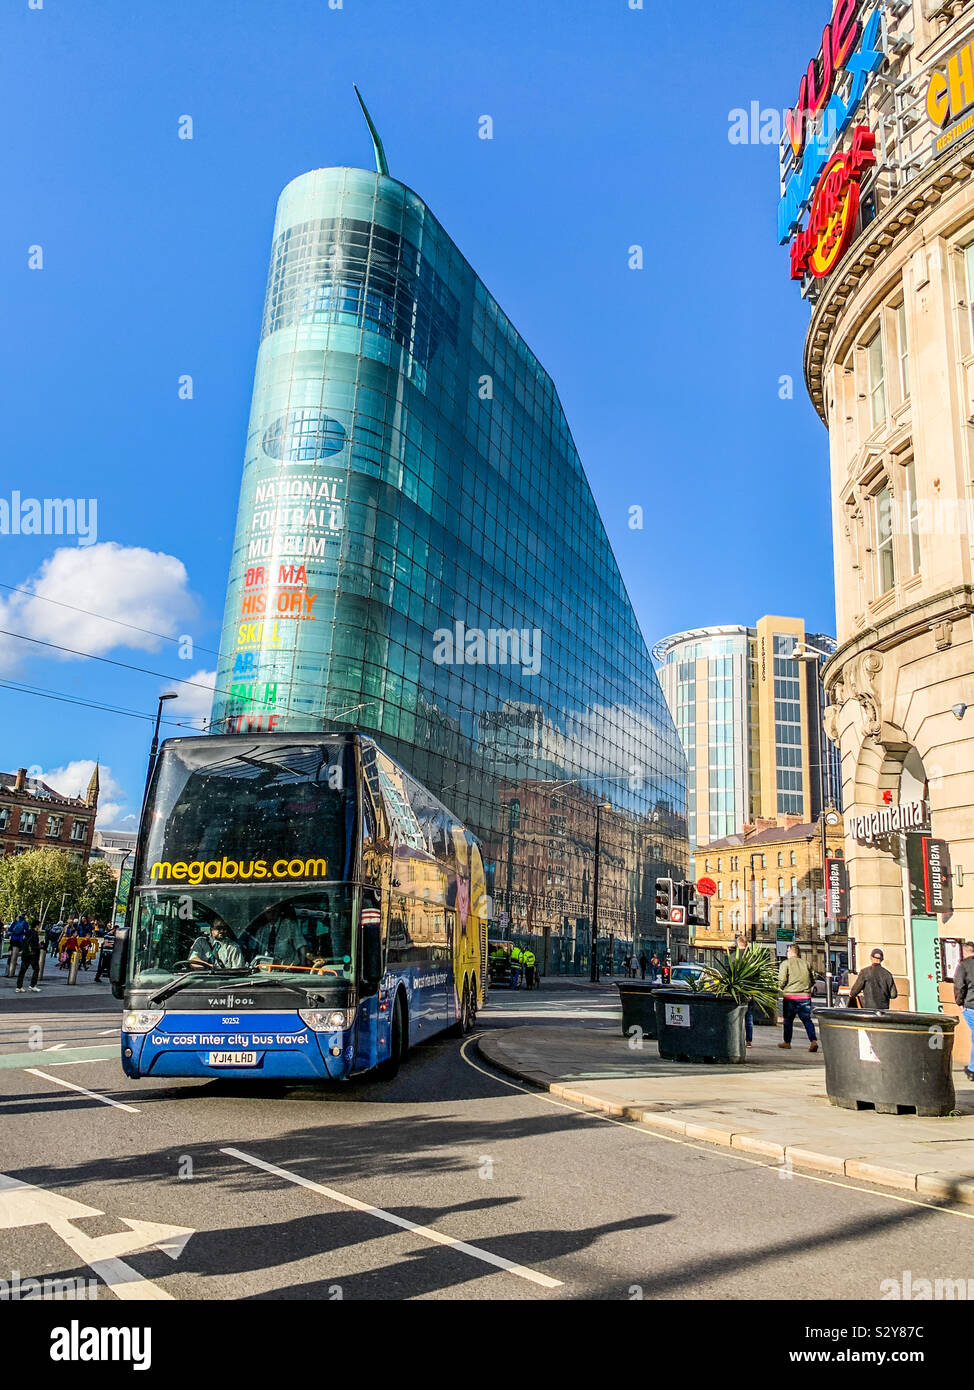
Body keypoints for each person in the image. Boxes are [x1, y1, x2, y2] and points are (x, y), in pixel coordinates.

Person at [777, 944, 818, 1052]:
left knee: (788, 1020)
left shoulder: (785, 964)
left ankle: (787, 1042)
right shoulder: (806, 964)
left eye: (787, 951)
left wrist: (780, 988)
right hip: (804, 996)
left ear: (790, 952)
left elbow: (782, 980)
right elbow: (813, 978)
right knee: (807, 1019)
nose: (786, 953)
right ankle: (813, 1041)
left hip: (790, 996)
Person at [952, 941, 974, 1082]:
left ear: (965, 952)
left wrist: (960, 1003)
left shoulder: (964, 966)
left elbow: (959, 986)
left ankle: (972, 1069)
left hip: (971, 1006)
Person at [728, 933, 755, 1047]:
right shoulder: (752, 958)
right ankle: (748, 1040)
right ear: (747, 945)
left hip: (736, 991)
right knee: (749, 1016)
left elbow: (729, 974)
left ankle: (736, 1038)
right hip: (749, 990)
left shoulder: (733, 957)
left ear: (738, 944)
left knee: (736, 1016)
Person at [16, 920, 42, 993]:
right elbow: (32, 944)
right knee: (36, 969)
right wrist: (38, 946)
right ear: (36, 925)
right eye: (39, 925)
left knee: (22, 971)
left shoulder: (28, 932)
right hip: (32, 954)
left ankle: (19, 987)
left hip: (26, 954)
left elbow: (25, 942)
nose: (40, 926)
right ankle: (32, 985)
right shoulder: (34, 933)